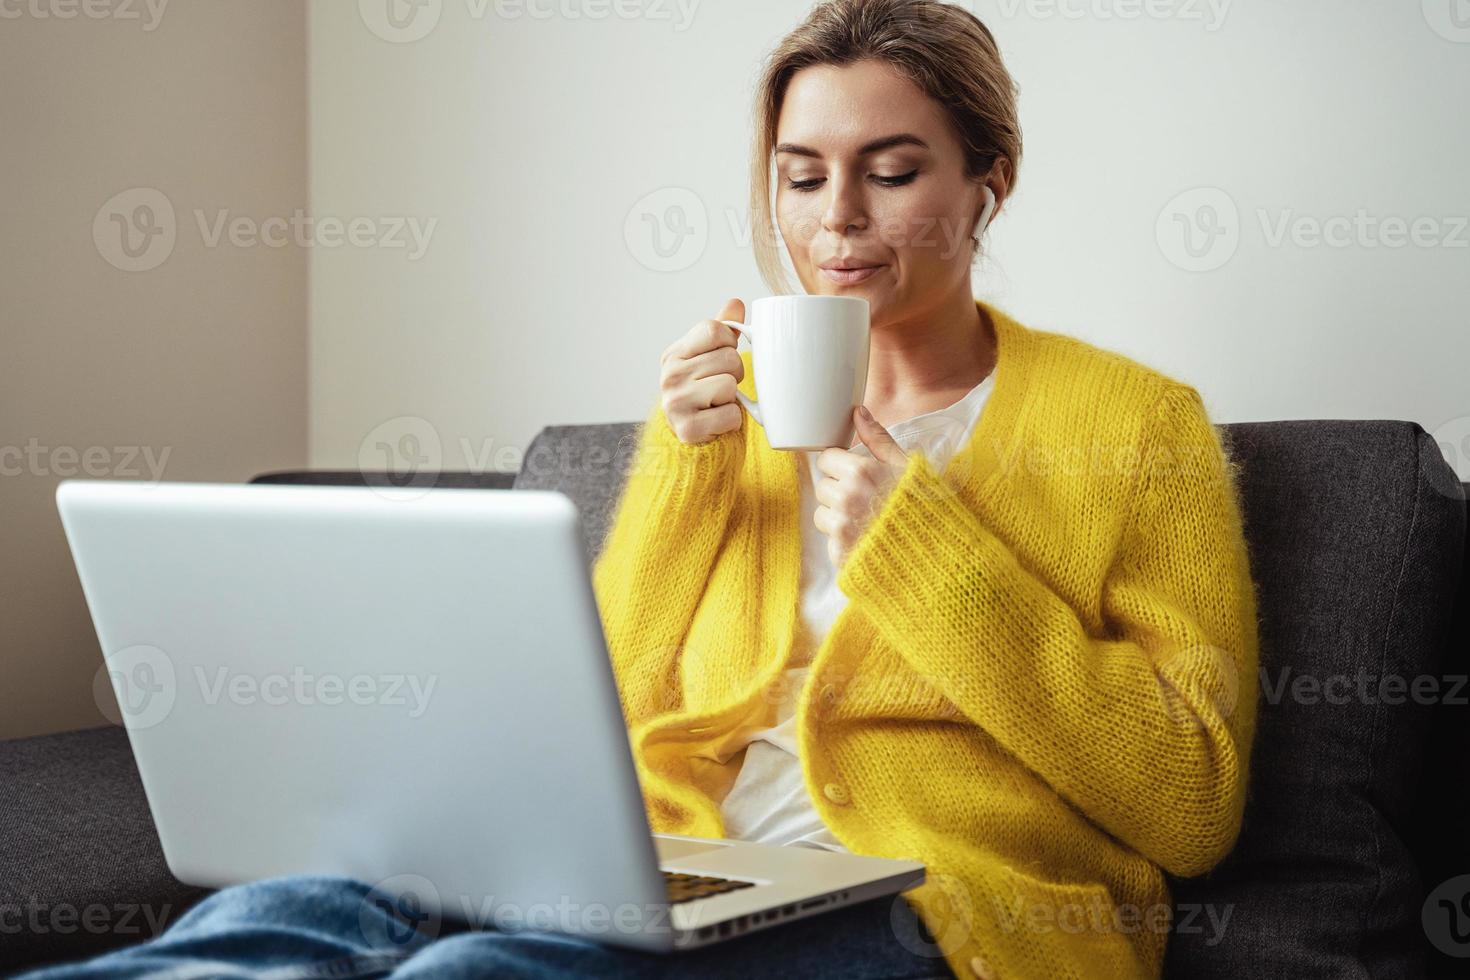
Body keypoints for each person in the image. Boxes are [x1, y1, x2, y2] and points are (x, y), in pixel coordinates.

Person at [23, 1, 1258, 977]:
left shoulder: (1139, 425)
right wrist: (680, 474)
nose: (837, 221)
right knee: (274, 924)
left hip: (938, 899)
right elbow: (592, 724)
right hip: (664, 859)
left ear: (989, 180)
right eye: (800, 173)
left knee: (480, 972)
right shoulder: (728, 414)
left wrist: (930, 555)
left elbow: (1192, 797)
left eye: (891, 171)